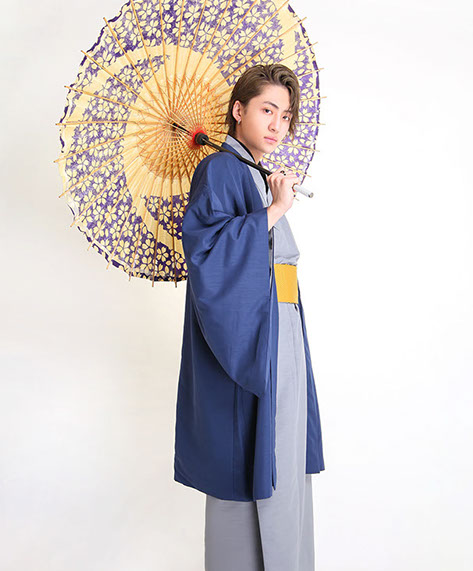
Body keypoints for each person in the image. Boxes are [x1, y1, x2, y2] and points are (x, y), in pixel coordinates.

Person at [173, 63, 325, 570]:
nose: (278, 124)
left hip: (281, 325)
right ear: (238, 110)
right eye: (267, 110)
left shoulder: (254, 173)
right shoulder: (220, 169)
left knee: (282, 451)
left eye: (286, 115)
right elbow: (207, 253)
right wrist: (274, 210)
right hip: (251, 332)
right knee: (247, 454)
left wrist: (272, 199)